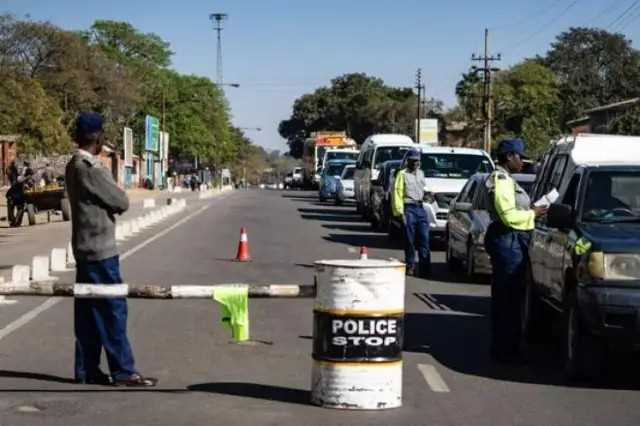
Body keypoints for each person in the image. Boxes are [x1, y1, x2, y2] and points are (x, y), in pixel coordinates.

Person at [65, 112, 157, 386]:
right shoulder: (89, 167)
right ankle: (124, 371)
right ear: (97, 137)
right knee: (111, 310)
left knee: (88, 314)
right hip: (100, 250)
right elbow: (121, 201)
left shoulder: (74, 164)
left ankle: (87, 370)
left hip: (85, 247)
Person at [484, 139, 547, 363]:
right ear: (509, 157)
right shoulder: (501, 179)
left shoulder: (507, 179)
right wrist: (533, 214)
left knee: (511, 296)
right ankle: (505, 350)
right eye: (520, 157)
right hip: (508, 240)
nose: (522, 162)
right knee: (508, 297)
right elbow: (508, 216)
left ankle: (507, 347)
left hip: (512, 239)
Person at [392, 148, 431, 277]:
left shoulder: (421, 173)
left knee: (424, 239)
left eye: (418, 161)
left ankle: (425, 268)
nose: (416, 164)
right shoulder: (402, 174)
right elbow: (397, 193)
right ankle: (410, 265)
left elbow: (423, 190)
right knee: (410, 240)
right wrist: (400, 213)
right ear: (408, 161)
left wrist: (428, 195)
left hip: (420, 208)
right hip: (408, 209)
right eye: (413, 161)